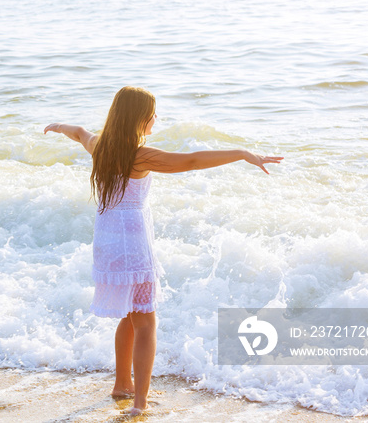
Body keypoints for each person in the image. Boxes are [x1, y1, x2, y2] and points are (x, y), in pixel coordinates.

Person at [44, 86, 283, 415]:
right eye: (152, 113)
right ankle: (139, 403)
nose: (157, 118)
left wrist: (59, 126)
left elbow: (80, 133)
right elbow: (192, 161)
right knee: (146, 323)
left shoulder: (100, 146)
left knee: (131, 317)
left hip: (107, 244)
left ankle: (121, 385)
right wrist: (242, 153)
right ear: (139, 118)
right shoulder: (139, 156)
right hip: (133, 246)